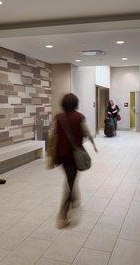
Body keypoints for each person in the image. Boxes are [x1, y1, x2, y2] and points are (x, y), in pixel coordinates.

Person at [48, 93, 97, 228]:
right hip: (74, 155)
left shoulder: (58, 117)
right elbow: (86, 132)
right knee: (70, 182)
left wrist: (51, 154)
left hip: (61, 155)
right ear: (75, 103)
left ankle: (75, 198)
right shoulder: (79, 117)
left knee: (70, 178)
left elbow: (52, 135)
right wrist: (93, 144)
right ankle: (62, 216)